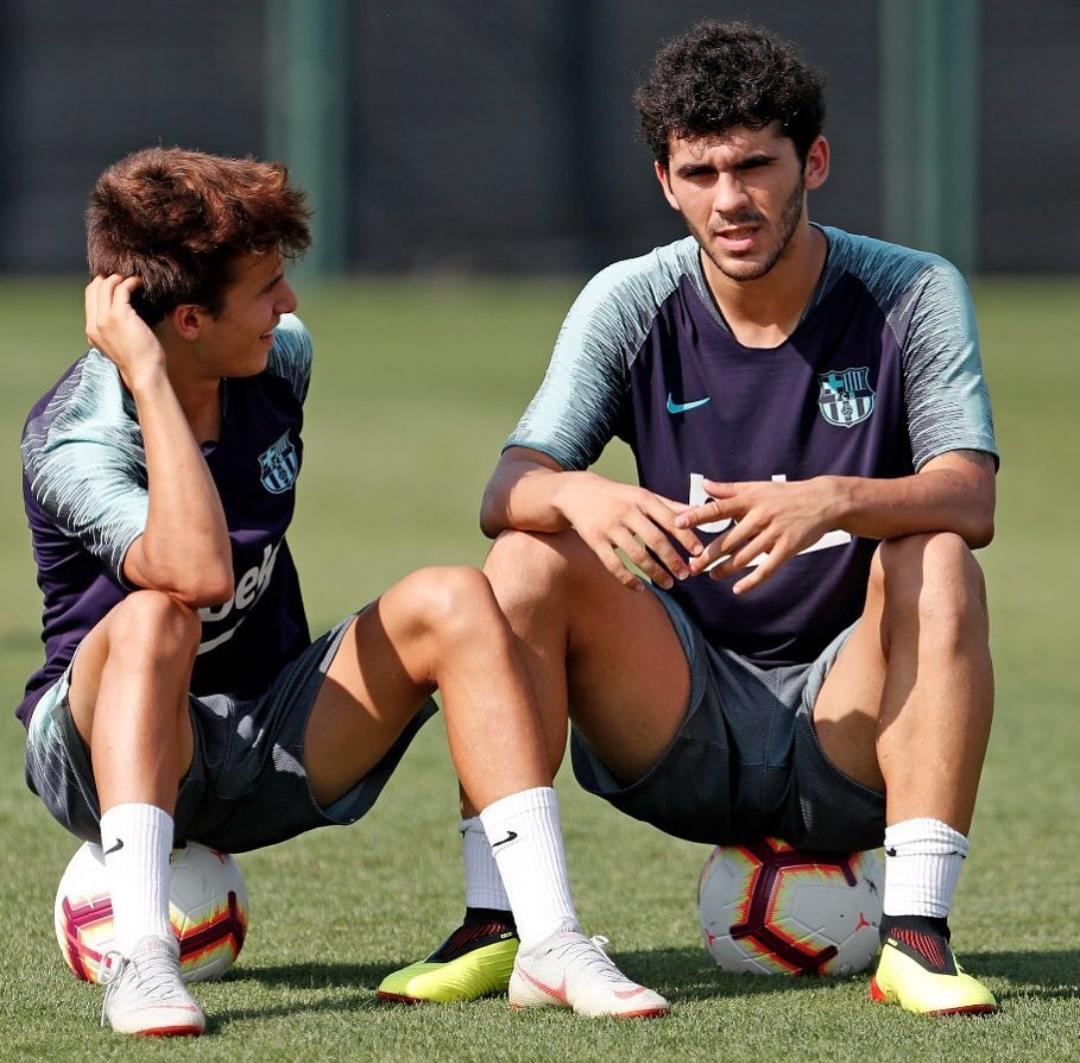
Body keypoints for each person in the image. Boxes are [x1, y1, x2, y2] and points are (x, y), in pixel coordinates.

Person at [385, 21, 1000, 1017]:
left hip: (851, 726)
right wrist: (583, 493)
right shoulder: (629, 300)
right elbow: (509, 485)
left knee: (936, 553)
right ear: (666, 180)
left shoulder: (912, 291)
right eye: (700, 172)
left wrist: (834, 499)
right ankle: (503, 924)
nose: (731, 199)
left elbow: (972, 497)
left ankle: (917, 938)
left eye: (756, 165)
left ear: (816, 162)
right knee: (528, 553)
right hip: (681, 721)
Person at [18, 147, 669, 1036]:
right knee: (152, 615)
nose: (288, 306)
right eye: (265, 290)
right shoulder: (74, 440)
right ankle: (140, 956)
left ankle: (544, 938)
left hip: (261, 726)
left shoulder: (281, 360)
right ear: (186, 318)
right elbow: (200, 571)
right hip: (101, 753)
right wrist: (148, 378)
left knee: (452, 596)